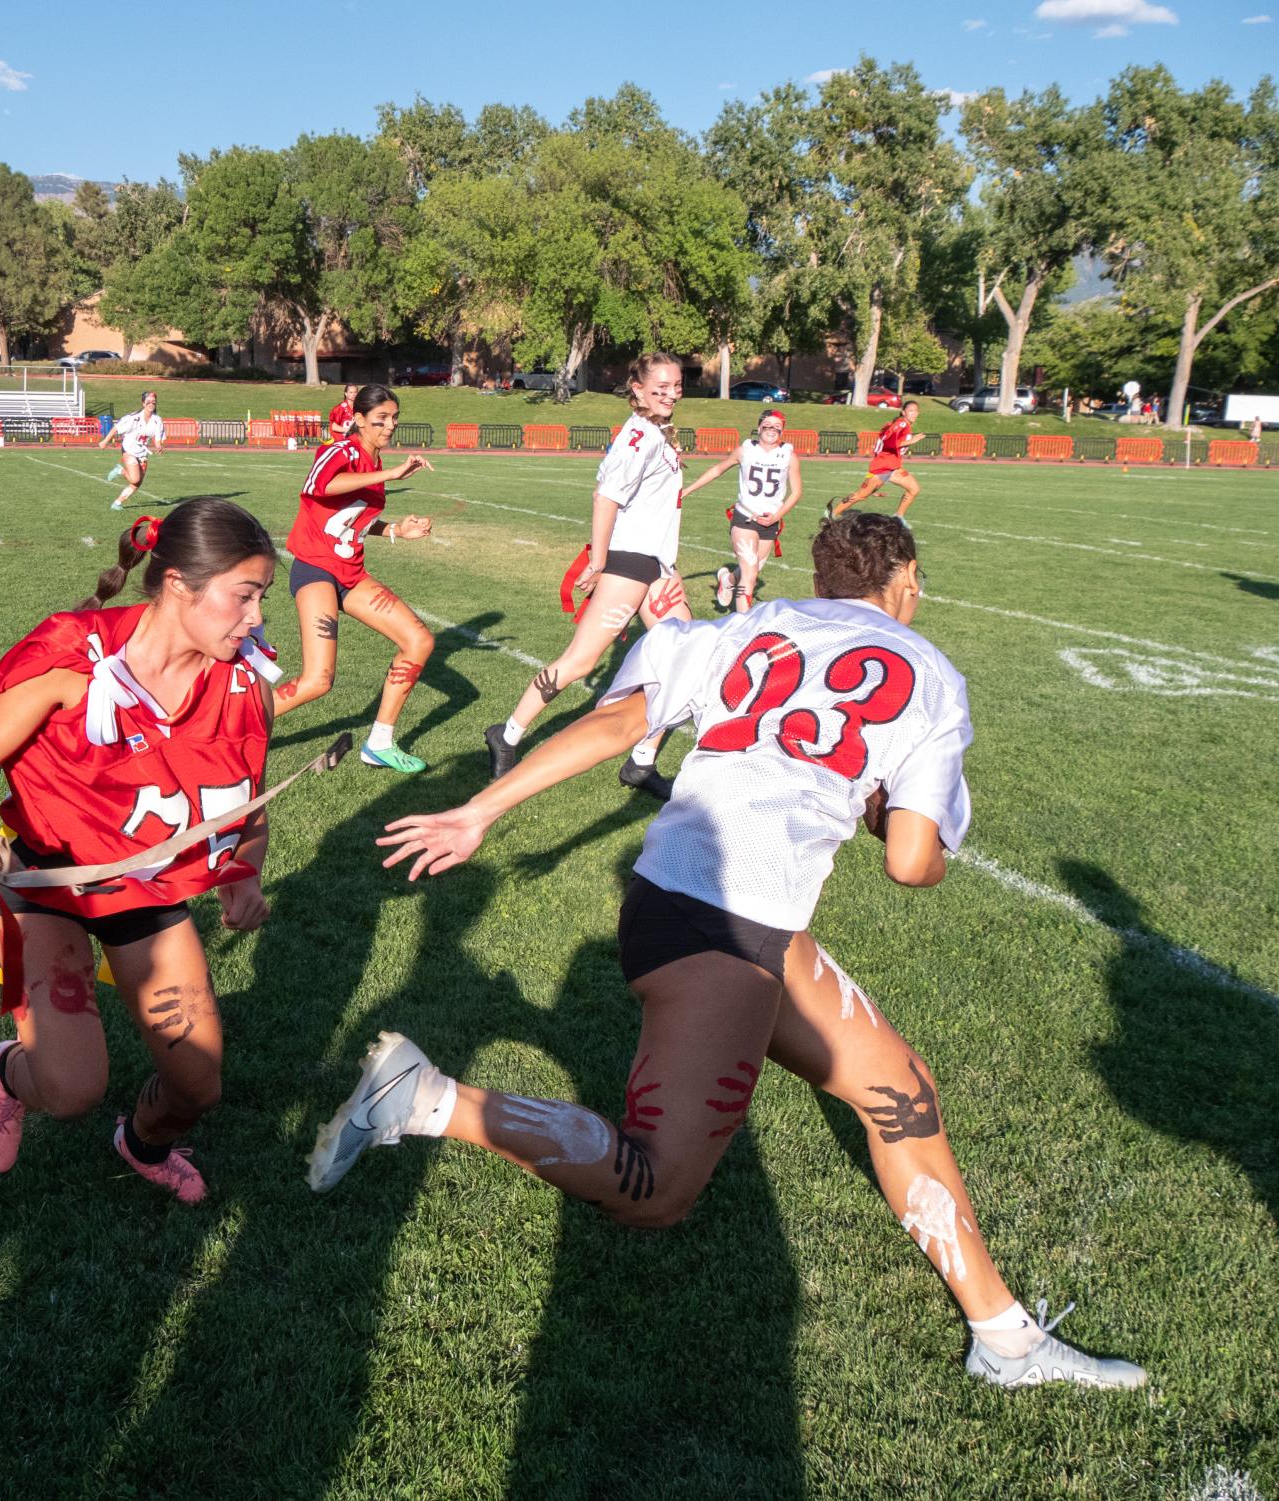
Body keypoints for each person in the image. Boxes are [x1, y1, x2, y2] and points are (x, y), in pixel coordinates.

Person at [311, 512, 1146, 1391]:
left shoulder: (747, 624)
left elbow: (616, 722)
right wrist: (889, 821)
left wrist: (482, 808)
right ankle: (428, 1098)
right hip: (723, 924)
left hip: (706, 906)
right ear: (904, 578)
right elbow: (910, 860)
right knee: (656, 1188)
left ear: (823, 579)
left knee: (898, 1092)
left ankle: (1003, 1335)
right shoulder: (932, 674)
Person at [0, 500, 281, 1203]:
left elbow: (247, 799)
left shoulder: (246, 682)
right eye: (243, 596)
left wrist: (243, 872)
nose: (256, 618)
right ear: (179, 585)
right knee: (69, 1091)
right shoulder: (75, 656)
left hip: (148, 895)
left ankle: (143, 1143)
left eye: (262, 598)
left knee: (198, 1083)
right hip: (49, 883)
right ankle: (8, 1070)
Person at [483, 352, 689, 794]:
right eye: (661, 387)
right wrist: (598, 562)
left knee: (686, 664)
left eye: (676, 385)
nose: (671, 393)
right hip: (631, 562)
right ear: (637, 389)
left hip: (657, 565)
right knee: (581, 662)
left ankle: (641, 762)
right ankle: (508, 734)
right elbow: (605, 499)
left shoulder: (656, 432)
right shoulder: (640, 436)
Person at [274, 383, 436, 773]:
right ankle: (233, 721)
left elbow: (351, 520)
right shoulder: (341, 450)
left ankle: (379, 743)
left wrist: (396, 529)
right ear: (359, 419)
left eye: (394, 418)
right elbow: (318, 486)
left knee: (419, 641)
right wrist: (392, 473)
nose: (389, 426)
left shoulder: (374, 464)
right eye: (380, 419)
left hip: (350, 573)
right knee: (318, 680)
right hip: (315, 568)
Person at [678, 410, 802, 613]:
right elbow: (718, 469)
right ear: (759, 426)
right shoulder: (745, 450)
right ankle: (742, 625)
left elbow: (796, 492)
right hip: (745, 516)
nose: (771, 430)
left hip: (771, 521)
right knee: (751, 572)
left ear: (782, 430)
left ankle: (727, 579)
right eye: (767, 425)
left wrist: (776, 517)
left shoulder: (788, 455)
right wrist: (688, 490)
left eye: (776, 426)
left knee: (753, 568)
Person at [831, 399, 922, 521]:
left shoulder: (903, 425)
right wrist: (911, 441)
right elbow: (888, 441)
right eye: (910, 411)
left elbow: (885, 438)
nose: (914, 413)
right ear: (903, 412)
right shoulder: (902, 423)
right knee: (861, 496)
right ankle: (831, 514)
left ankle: (898, 517)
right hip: (882, 467)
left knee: (914, 489)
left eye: (916, 411)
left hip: (893, 467)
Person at [100, 390, 166, 510]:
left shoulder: (157, 420)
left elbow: (157, 438)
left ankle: (117, 503)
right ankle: (120, 470)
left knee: (137, 483)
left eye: (154, 402)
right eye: (148, 402)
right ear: (143, 403)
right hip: (129, 448)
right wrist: (105, 441)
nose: (151, 404)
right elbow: (116, 428)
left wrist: (159, 446)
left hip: (142, 452)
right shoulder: (133, 417)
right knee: (135, 478)